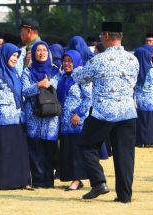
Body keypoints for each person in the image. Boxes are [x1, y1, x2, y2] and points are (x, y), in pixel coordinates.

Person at [71, 22, 139, 203]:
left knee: (86, 145)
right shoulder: (133, 59)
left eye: (101, 35)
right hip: (127, 111)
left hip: (104, 112)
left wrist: (76, 68)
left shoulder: (99, 60)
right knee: (125, 155)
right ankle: (125, 196)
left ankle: (99, 182)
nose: (100, 38)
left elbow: (80, 77)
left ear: (107, 36)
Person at [0, 43, 31, 190]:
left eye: (17, 56)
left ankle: (21, 181)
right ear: (5, 54)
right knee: (5, 150)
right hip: (1, 118)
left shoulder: (15, 72)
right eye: (12, 55)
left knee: (18, 151)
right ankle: (5, 182)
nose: (15, 59)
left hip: (18, 116)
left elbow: (21, 92)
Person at [21, 41, 59, 188]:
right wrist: (38, 85)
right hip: (33, 115)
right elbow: (24, 91)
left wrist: (50, 84)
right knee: (35, 150)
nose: (41, 53)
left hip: (51, 117)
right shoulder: (28, 71)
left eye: (44, 50)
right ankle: (37, 181)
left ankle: (48, 181)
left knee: (49, 149)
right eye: (38, 50)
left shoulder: (55, 70)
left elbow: (58, 87)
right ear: (34, 53)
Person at [57, 50, 91, 191]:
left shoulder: (81, 77)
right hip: (64, 122)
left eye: (70, 61)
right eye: (64, 61)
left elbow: (89, 97)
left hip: (77, 121)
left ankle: (77, 180)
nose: (66, 64)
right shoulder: (63, 77)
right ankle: (73, 177)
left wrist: (78, 113)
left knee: (76, 151)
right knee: (68, 151)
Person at [134, 47, 153, 147]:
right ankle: (152, 140)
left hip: (138, 103)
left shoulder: (135, 72)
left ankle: (141, 141)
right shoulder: (152, 71)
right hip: (151, 103)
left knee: (142, 123)